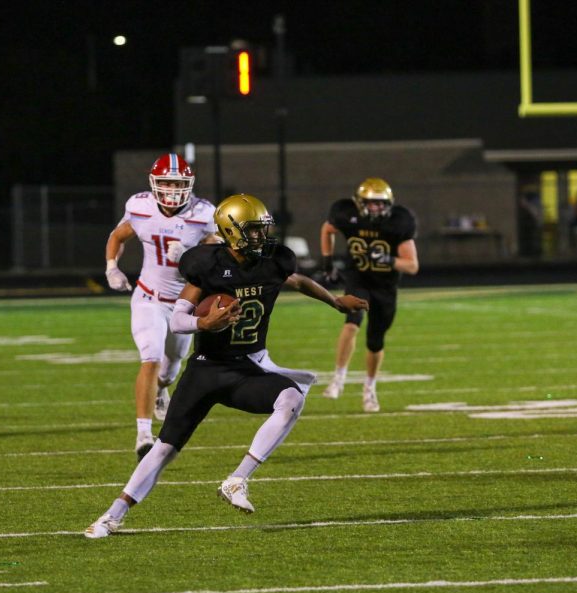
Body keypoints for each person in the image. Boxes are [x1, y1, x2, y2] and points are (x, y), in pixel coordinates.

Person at [85, 193, 368, 538]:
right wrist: (202, 325)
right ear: (231, 231)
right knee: (165, 449)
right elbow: (177, 320)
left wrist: (335, 301)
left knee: (291, 399)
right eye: (253, 230)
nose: (261, 237)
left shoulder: (272, 262)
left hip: (245, 369)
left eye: (262, 230)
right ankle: (112, 515)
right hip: (206, 368)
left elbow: (297, 281)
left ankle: (237, 480)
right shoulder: (208, 265)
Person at [104, 153, 219, 462]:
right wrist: (112, 267)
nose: (171, 190)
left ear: (189, 184)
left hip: (184, 304)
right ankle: (143, 435)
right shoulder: (140, 206)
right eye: (166, 182)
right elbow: (118, 235)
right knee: (150, 358)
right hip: (148, 297)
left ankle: (160, 390)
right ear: (154, 184)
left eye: (177, 183)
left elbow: (221, 255)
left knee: (170, 371)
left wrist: (191, 253)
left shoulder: (203, 212)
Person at [319, 177, 418, 413]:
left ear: (389, 204)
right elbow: (327, 229)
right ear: (359, 202)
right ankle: (338, 378)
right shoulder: (346, 213)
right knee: (352, 323)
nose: (375, 207)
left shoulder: (398, 221)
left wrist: (387, 259)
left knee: (375, 342)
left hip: (385, 286)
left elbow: (412, 265)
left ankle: (369, 388)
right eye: (370, 203)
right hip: (358, 278)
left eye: (380, 203)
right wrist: (327, 261)